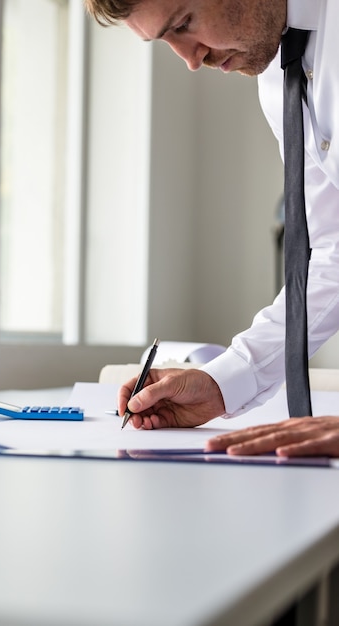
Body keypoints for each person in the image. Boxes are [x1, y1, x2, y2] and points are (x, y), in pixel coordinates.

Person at [85, 0, 339, 457]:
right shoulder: (278, 77)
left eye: (184, 23)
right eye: (166, 39)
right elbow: (331, 253)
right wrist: (221, 382)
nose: (190, 58)